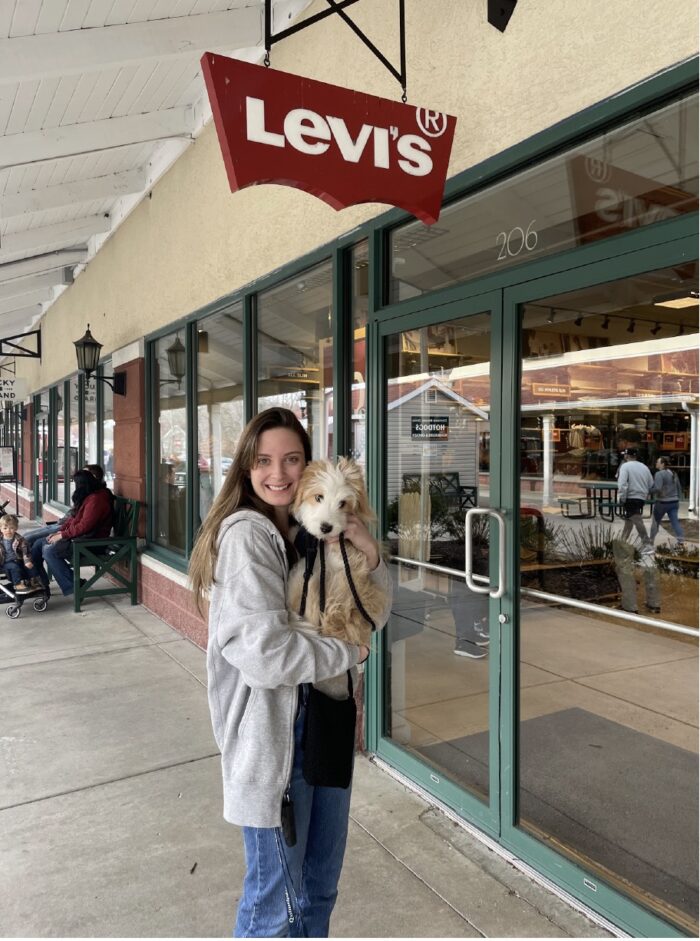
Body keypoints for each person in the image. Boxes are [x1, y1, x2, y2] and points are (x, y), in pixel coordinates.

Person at [189, 407, 392, 938]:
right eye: (263, 461)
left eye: (292, 460)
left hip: (326, 722)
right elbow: (266, 655)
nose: (277, 473)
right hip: (276, 740)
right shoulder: (247, 536)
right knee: (276, 904)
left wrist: (369, 555)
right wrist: (348, 654)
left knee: (318, 891)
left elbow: (374, 615)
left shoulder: (309, 530)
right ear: (245, 468)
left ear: (310, 466)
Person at [31, 469, 114, 596]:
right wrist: (60, 532)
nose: (75, 488)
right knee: (38, 544)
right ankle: (40, 583)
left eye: (76, 484)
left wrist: (63, 535)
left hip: (92, 542)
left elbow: (85, 526)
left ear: (83, 484)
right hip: (82, 538)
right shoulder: (90, 496)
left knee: (49, 550)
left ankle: (73, 587)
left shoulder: (96, 500)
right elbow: (74, 519)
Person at [24, 463, 110, 548]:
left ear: (93, 477)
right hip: (65, 525)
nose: (80, 477)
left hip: (78, 534)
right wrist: (62, 530)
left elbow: (84, 525)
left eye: (84, 474)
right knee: (27, 536)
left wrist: (62, 533)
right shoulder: (87, 493)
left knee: (34, 541)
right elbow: (73, 516)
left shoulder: (96, 498)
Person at [617, 449, 654, 550]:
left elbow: (622, 484)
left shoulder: (625, 466)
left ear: (626, 456)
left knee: (637, 520)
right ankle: (622, 542)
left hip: (630, 497)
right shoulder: (644, 467)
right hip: (641, 498)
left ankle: (647, 544)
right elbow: (651, 484)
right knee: (629, 520)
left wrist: (622, 497)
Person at [0, 514, 42, 593]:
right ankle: (17, 584)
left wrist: (27, 561)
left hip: (18, 559)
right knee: (14, 567)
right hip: (5, 562)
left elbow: (25, 551)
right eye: (5, 528)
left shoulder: (20, 540)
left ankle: (33, 581)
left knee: (30, 565)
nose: (8, 530)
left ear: (16, 528)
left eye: (11, 528)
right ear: (1, 529)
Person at [650, 457, 684, 545]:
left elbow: (657, 488)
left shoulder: (659, 474)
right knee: (675, 522)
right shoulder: (673, 473)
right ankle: (681, 541)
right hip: (674, 502)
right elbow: (679, 487)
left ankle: (650, 542)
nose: (656, 464)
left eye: (657, 462)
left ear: (663, 464)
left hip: (662, 502)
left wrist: (648, 490)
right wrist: (678, 498)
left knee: (655, 523)